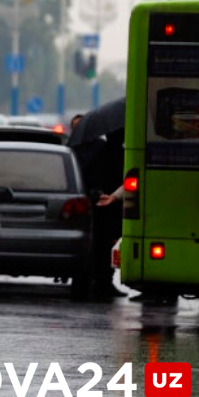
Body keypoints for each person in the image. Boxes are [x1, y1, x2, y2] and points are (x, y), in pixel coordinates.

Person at [80, 128, 126, 299]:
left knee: (100, 245)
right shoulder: (122, 154)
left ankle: (100, 280)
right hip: (115, 205)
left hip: (100, 205)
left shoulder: (99, 154)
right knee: (108, 244)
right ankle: (105, 281)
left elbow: (90, 178)